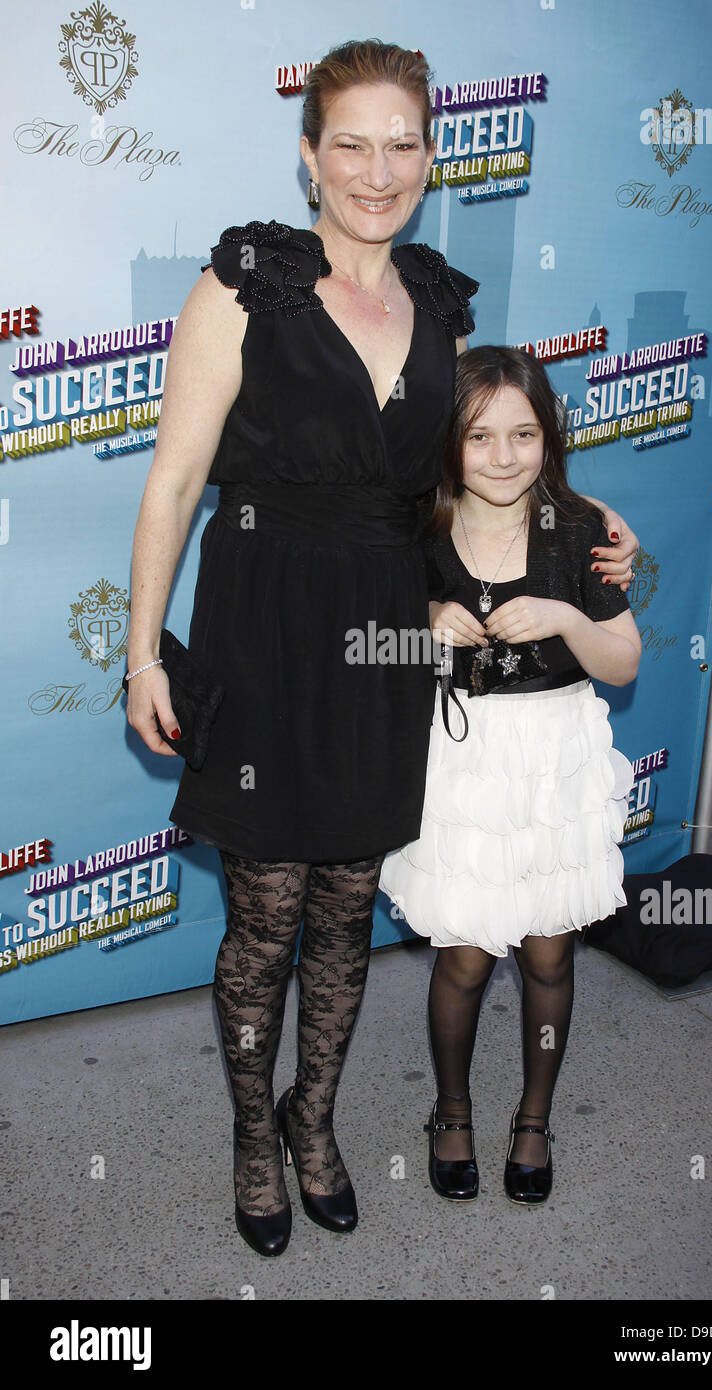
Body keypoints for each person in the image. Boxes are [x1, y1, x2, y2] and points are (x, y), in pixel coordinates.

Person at [125, 40, 640, 1257]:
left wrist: (591, 519)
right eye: (349, 142)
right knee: (264, 921)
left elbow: (478, 474)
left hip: (381, 644)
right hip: (260, 631)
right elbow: (175, 478)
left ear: (429, 156)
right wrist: (144, 652)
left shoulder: (439, 301)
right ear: (310, 158)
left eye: (401, 142)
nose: (377, 167)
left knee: (348, 914)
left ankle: (318, 1125)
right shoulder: (246, 282)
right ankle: (257, 1139)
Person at [379, 345, 641, 1206]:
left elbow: (622, 665)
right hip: (458, 761)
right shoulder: (413, 528)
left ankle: (534, 1117)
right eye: (479, 435)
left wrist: (567, 614)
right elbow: (366, 653)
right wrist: (421, 625)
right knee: (459, 954)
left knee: (548, 954)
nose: (502, 456)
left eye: (523, 434)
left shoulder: (580, 534)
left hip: (552, 761)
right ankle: (449, 1110)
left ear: (548, 436)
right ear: (446, 443)